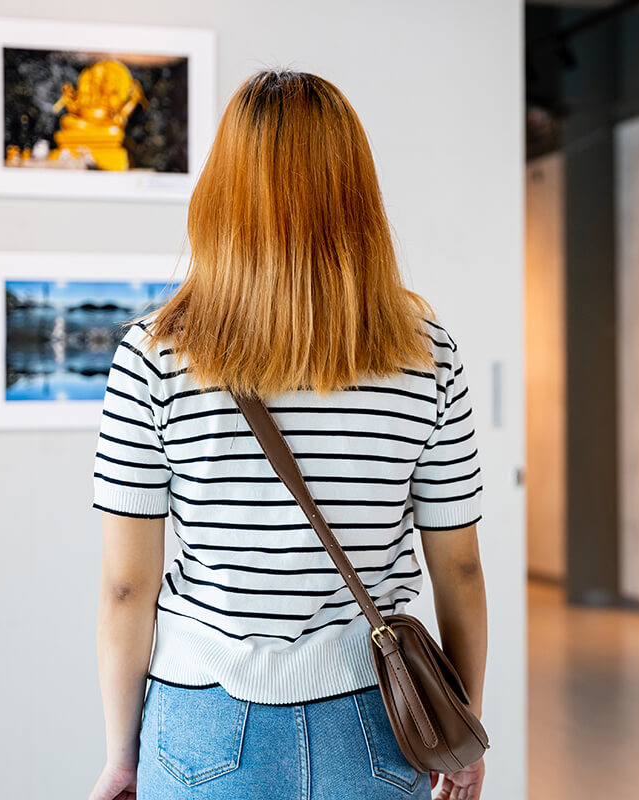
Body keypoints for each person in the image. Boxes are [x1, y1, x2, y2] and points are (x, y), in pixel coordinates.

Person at [86, 70, 488, 800]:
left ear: (222, 192)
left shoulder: (155, 352)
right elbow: (457, 569)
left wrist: (121, 754)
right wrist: (460, 727)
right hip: (376, 720)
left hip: (200, 718)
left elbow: (125, 588)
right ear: (356, 192)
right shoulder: (425, 349)